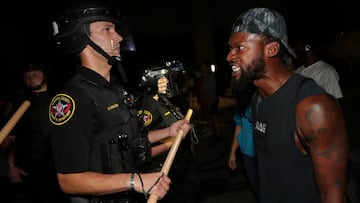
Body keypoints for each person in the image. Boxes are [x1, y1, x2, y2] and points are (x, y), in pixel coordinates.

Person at [49, 2, 192, 203]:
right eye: (107, 29)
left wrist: (168, 132)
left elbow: (129, 142)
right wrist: (134, 181)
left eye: (115, 29)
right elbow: (68, 180)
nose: (118, 37)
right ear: (80, 37)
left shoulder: (115, 90)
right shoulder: (73, 99)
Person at [226, 7, 349, 202]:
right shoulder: (258, 100)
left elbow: (333, 196)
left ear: (272, 49)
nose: (229, 57)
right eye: (230, 48)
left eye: (239, 48)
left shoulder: (313, 107)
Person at [133, 66, 200, 203]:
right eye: (161, 80)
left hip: (180, 163)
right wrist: (170, 143)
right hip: (163, 168)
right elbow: (141, 147)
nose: (166, 82)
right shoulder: (145, 107)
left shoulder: (162, 100)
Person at [6, 64, 66, 203]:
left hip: (62, 160)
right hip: (35, 164)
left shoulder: (60, 96)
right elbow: (10, 137)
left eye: (34, 72)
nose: (30, 76)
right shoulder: (20, 103)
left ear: (44, 73)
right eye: (26, 74)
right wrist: (11, 166)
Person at [228, 84, 258, 199]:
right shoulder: (242, 99)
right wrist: (232, 153)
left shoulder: (263, 97)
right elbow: (239, 125)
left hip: (262, 154)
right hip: (246, 154)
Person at [194, 60, 220, 137]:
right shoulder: (204, 75)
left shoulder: (210, 76)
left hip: (211, 100)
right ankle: (211, 130)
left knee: (213, 117)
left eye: (203, 66)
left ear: (207, 67)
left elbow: (211, 91)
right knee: (209, 116)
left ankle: (217, 133)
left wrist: (209, 102)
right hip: (207, 100)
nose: (201, 68)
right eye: (201, 66)